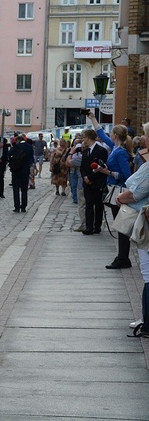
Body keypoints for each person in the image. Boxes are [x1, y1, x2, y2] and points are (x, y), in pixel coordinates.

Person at [87, 111, 134, 267]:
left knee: (121, 225)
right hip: (113, 189)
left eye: (111, 132)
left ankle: (123, 258)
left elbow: (127, 175)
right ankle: (122, 256)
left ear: (115, 135)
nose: (109, 135)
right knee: (119, 224)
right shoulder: (115, 147)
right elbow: (100, 132)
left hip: (119, 191)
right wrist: (93, 118)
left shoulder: (120, 152)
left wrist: (108, 172)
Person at [115, 123, 149, 336]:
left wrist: (122, 197)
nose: (144, 139)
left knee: (147, 274)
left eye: (146, 135)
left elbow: (136, 193)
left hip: (144, 220)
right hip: (141, 217)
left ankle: (147, 321)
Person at [79, 128, 109, 235]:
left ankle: (97, 226)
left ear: (87, 138)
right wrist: (85, 177)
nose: (83, 140)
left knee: (98, 205)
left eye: (84, 137)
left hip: (97, 182)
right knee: (88, 205)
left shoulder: (101, 150)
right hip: (87, 183)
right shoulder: (86, 151)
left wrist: (90, 178)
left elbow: (101, 167)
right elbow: (82, 167)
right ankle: (89, 227)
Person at [9, 135, 34, 213]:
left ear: (17, 140)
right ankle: (23, 206)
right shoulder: (29, 147)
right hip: (25, 170)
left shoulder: (16, 146)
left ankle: (17, 206)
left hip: (16, 170)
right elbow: (31, 159)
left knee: (16, 189)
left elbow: (9, 154)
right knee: (24, 189)